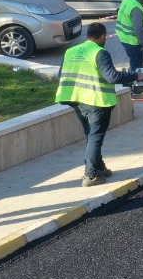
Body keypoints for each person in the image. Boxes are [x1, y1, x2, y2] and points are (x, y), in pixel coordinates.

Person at [57, 22, 135, 186]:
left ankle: (99, 167)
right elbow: (112, 77)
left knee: (91, 135)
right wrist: (134, 76)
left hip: (76, 99)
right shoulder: (100, 52)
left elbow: (61, 75)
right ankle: (90, 175)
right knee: (95, 137)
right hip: (95, 101)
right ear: (102, 37)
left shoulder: (70, 51)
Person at [115, 0, 143, 73]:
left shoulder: (127, 1)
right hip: (134, 42)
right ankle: (136, 83)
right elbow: (138, 29)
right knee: (137, 68)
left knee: (134, 64)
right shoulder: (137, 8)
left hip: (124, 38)